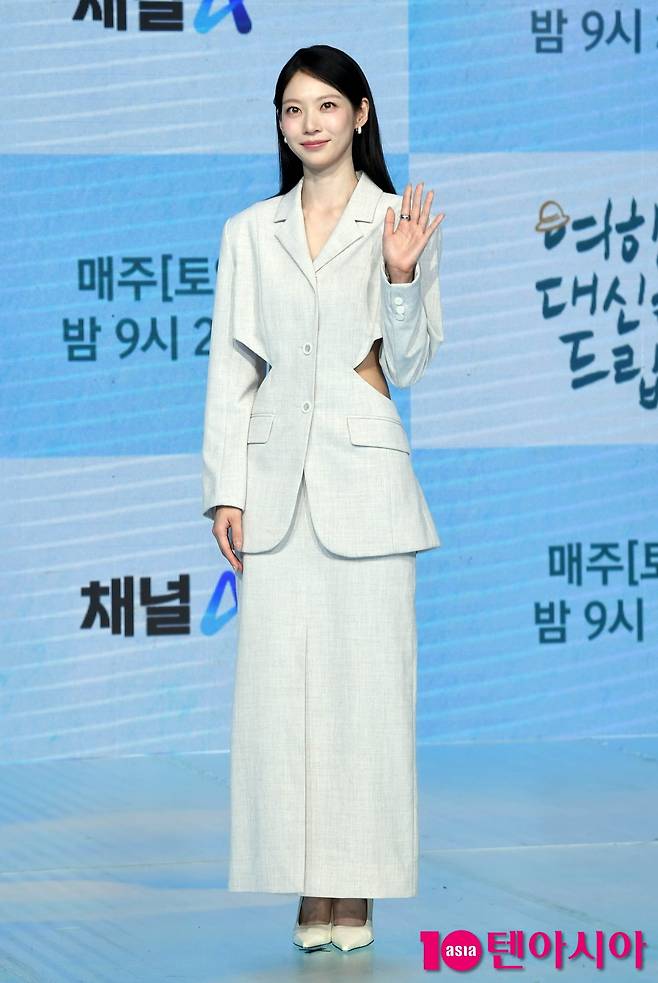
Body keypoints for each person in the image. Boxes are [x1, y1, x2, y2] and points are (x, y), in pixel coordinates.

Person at [201, 44, 445, 953]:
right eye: (292, 109)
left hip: (367, 486)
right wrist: (225, 488)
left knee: (369, 698)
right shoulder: (248, 230)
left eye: (327, 106)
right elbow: (232, 365)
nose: (309, 124)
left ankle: (358, 886)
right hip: (273, 487)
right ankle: (310, 885)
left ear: (361, 114)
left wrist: (400, 276)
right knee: (281, 702)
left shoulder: (398, 218)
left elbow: (409, 364)